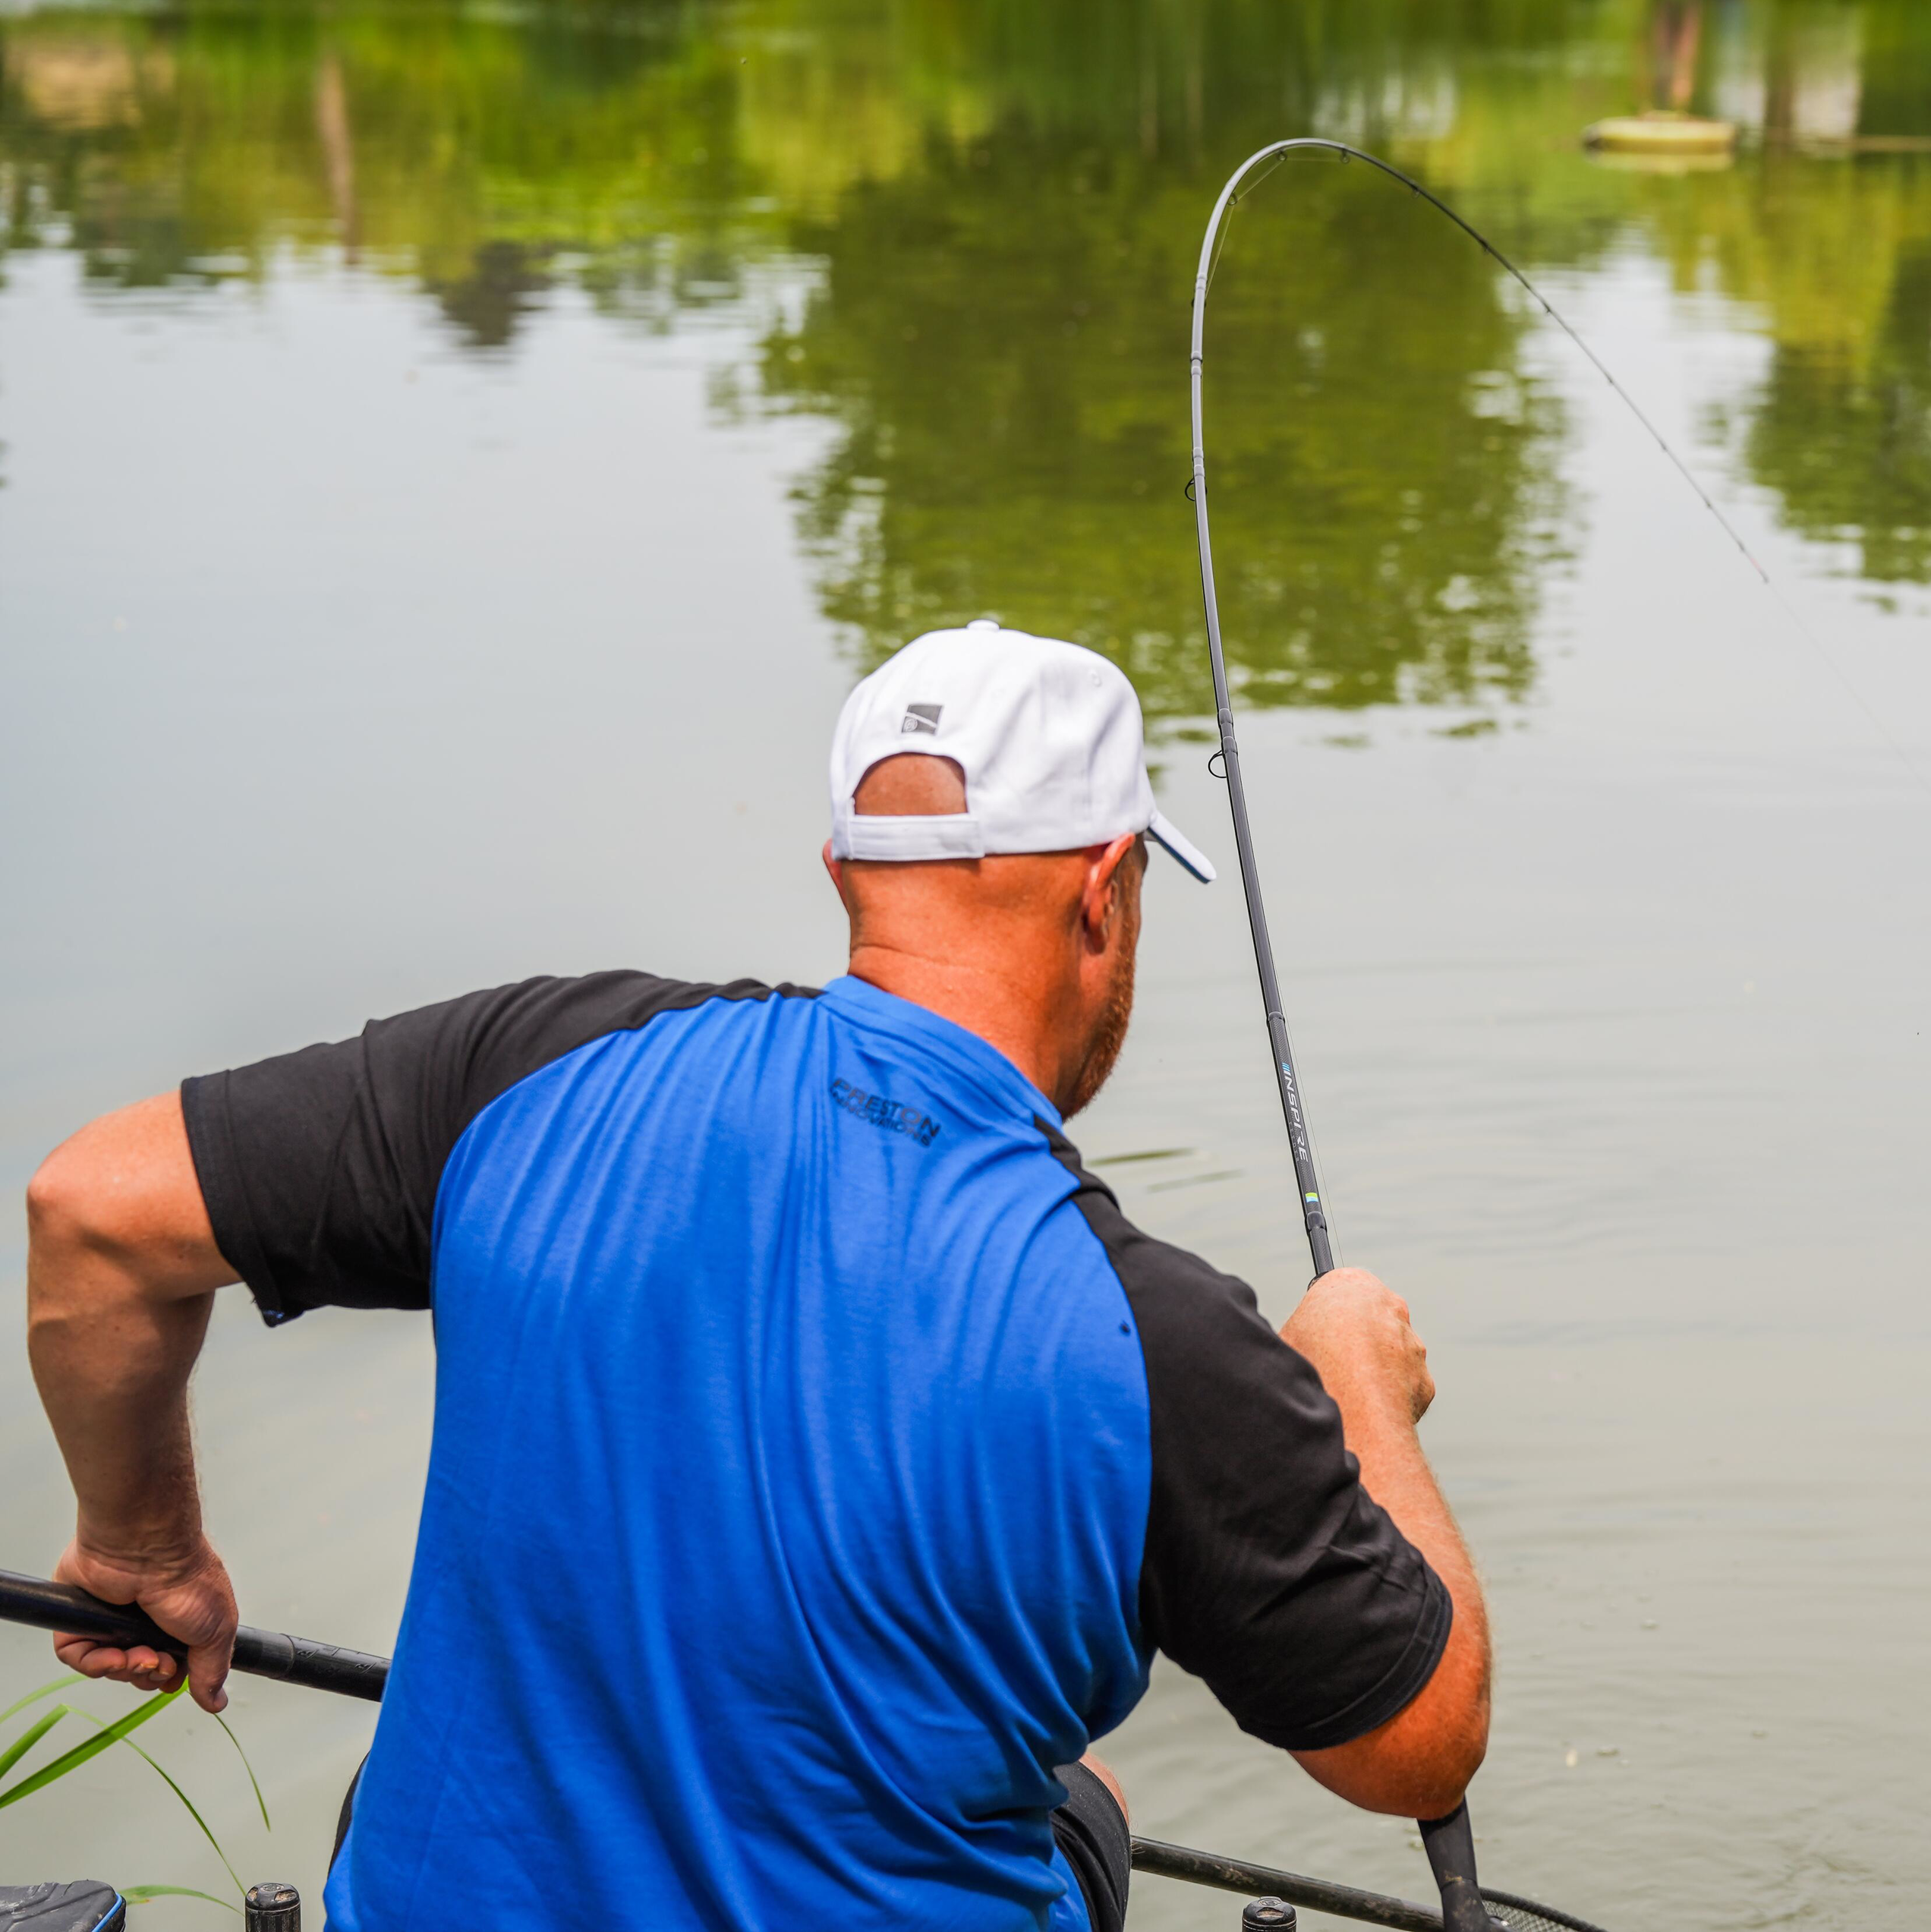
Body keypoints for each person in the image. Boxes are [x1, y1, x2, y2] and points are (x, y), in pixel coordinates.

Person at [22, 622, 1490, 1930]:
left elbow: (94, 1213)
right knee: (1078, 1793)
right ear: (1106, 893)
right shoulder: (1152, 1337)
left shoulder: (539, 1071)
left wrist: (145, 1548)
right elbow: (1415, 1741)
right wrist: (1355, 1384)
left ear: (847, 864)